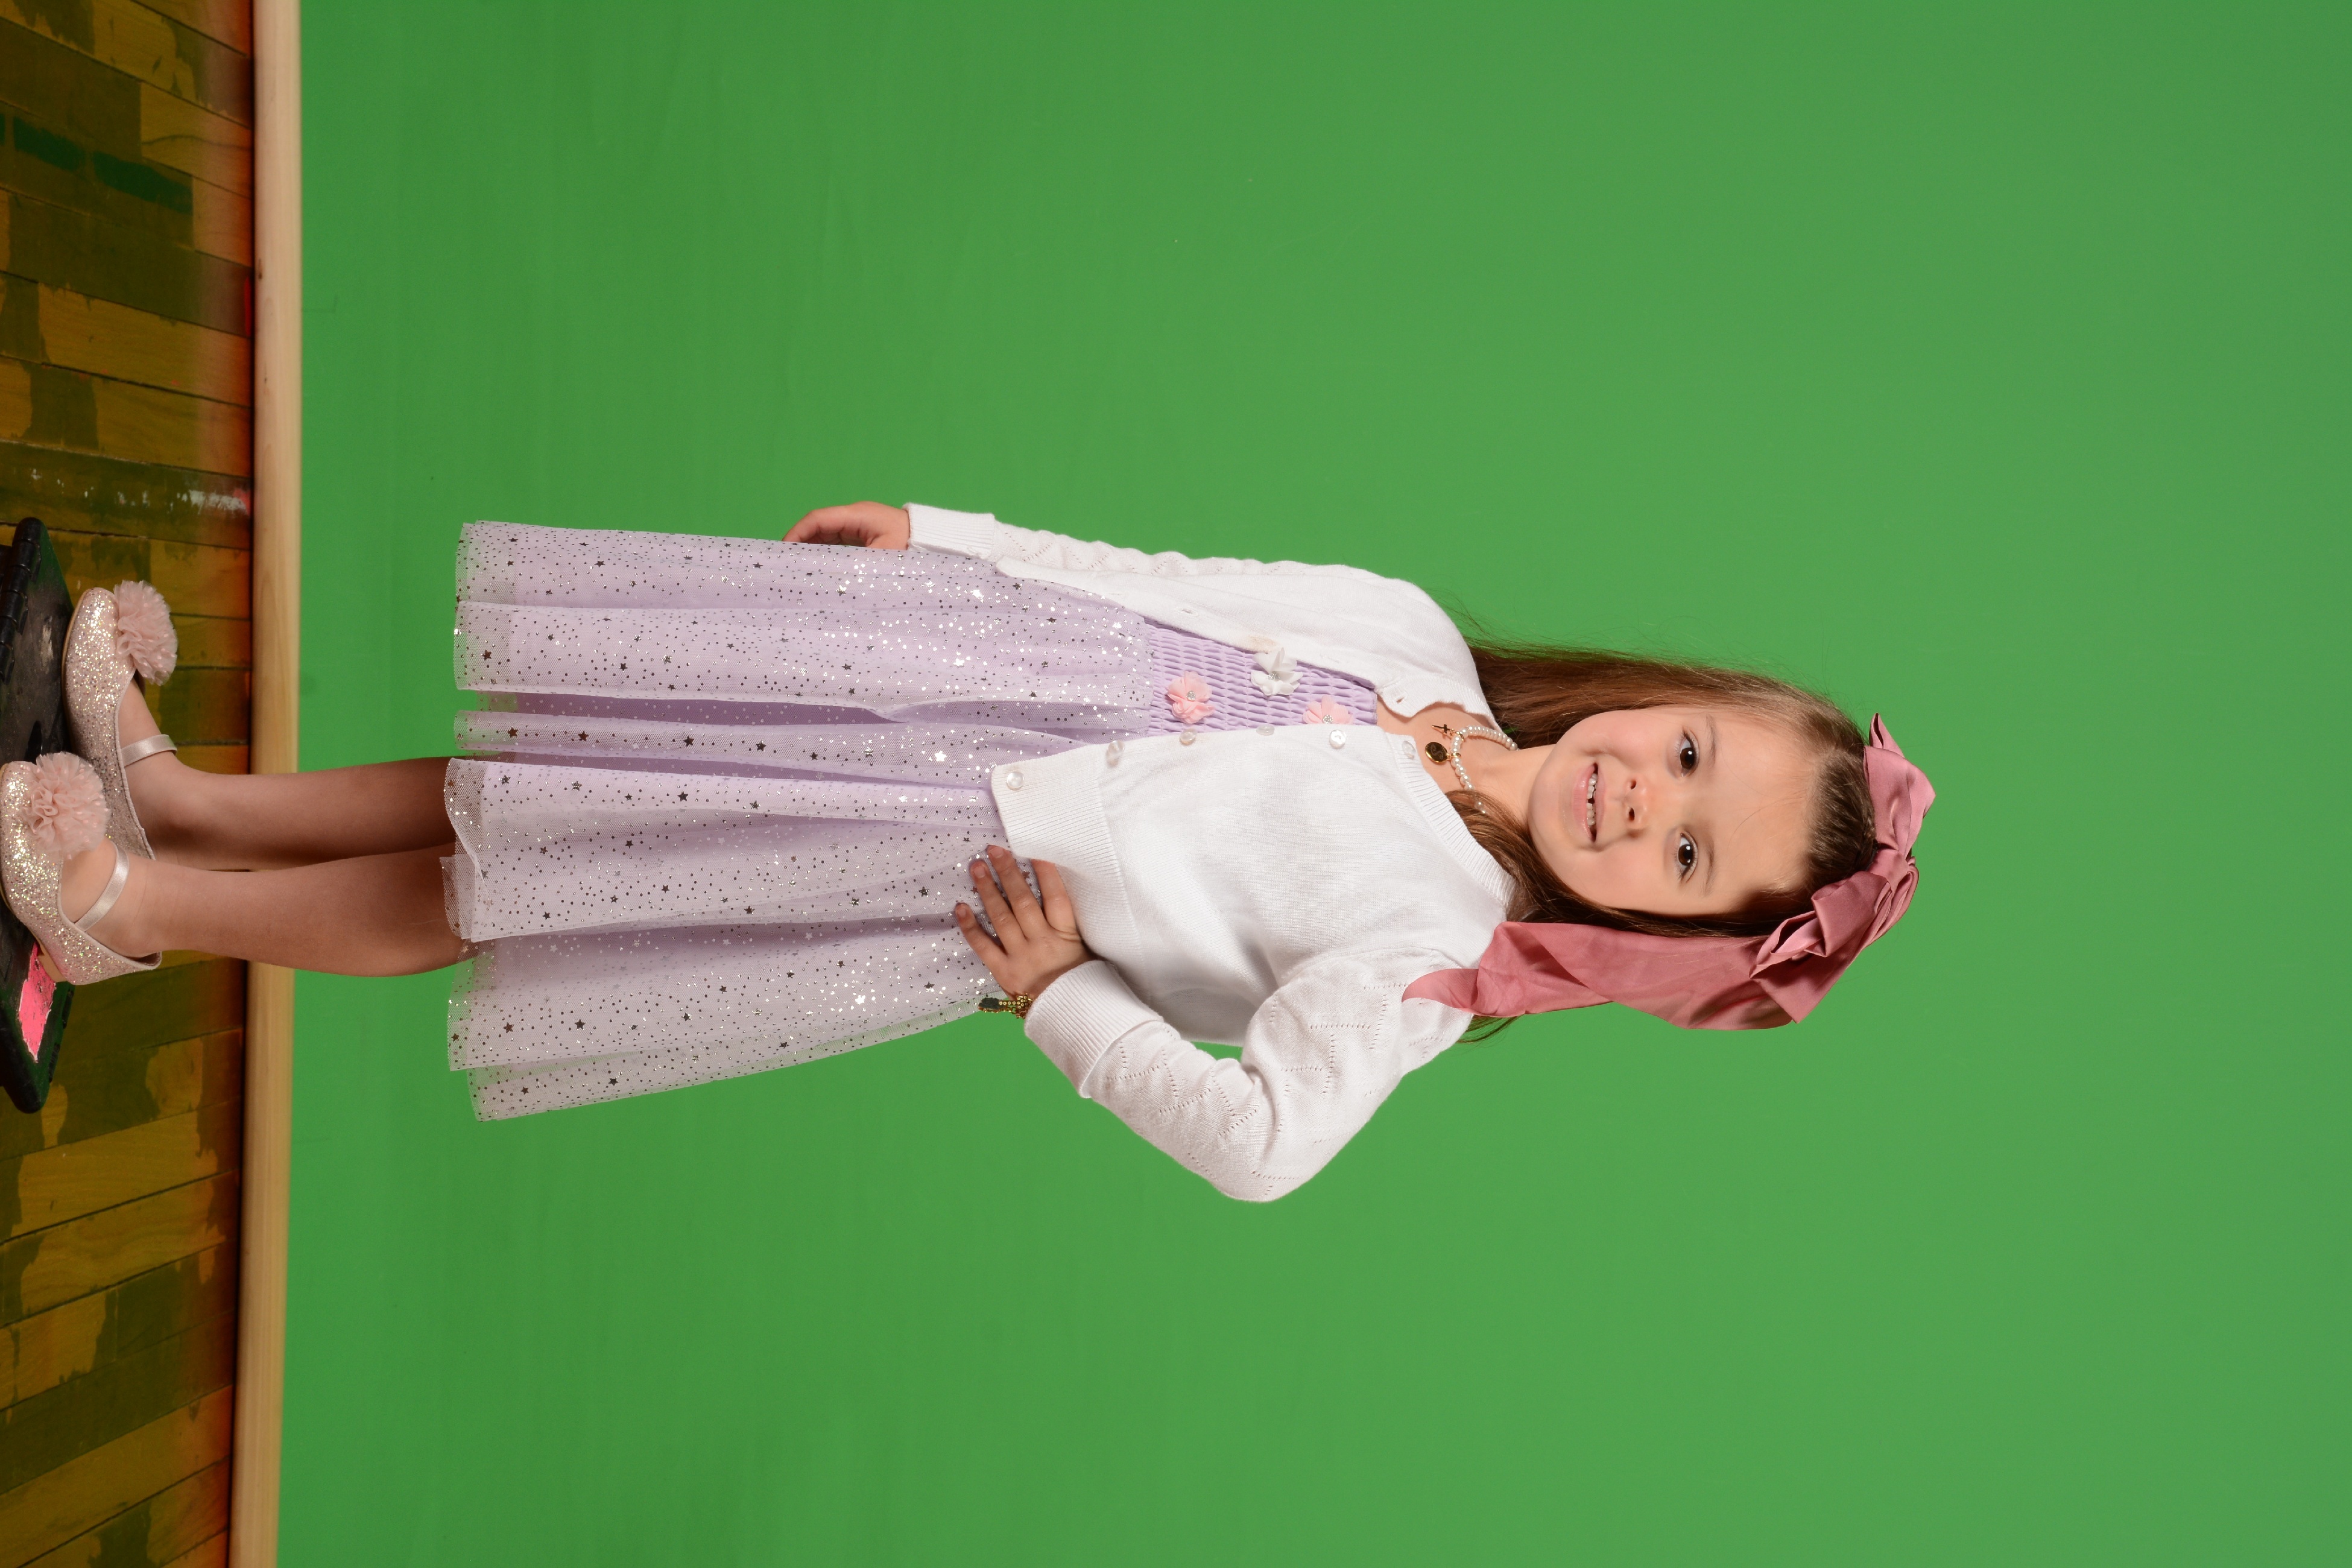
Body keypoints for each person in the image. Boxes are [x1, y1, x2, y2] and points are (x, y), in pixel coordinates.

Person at [0, 503, 1931, 1199]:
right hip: (921, 682)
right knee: (536, 774)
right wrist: (955, 535)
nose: (1644, 801)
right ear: (1666, 697)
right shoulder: (1409, 636)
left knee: (502, 885)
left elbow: (1264, 1146)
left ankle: (134, 908)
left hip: (914, 861)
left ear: (1664, 934)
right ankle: (194, 805)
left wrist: (1069, 998)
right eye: (1687, 755)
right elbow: (1164, 577)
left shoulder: (1429, 949)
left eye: (1690, 857)